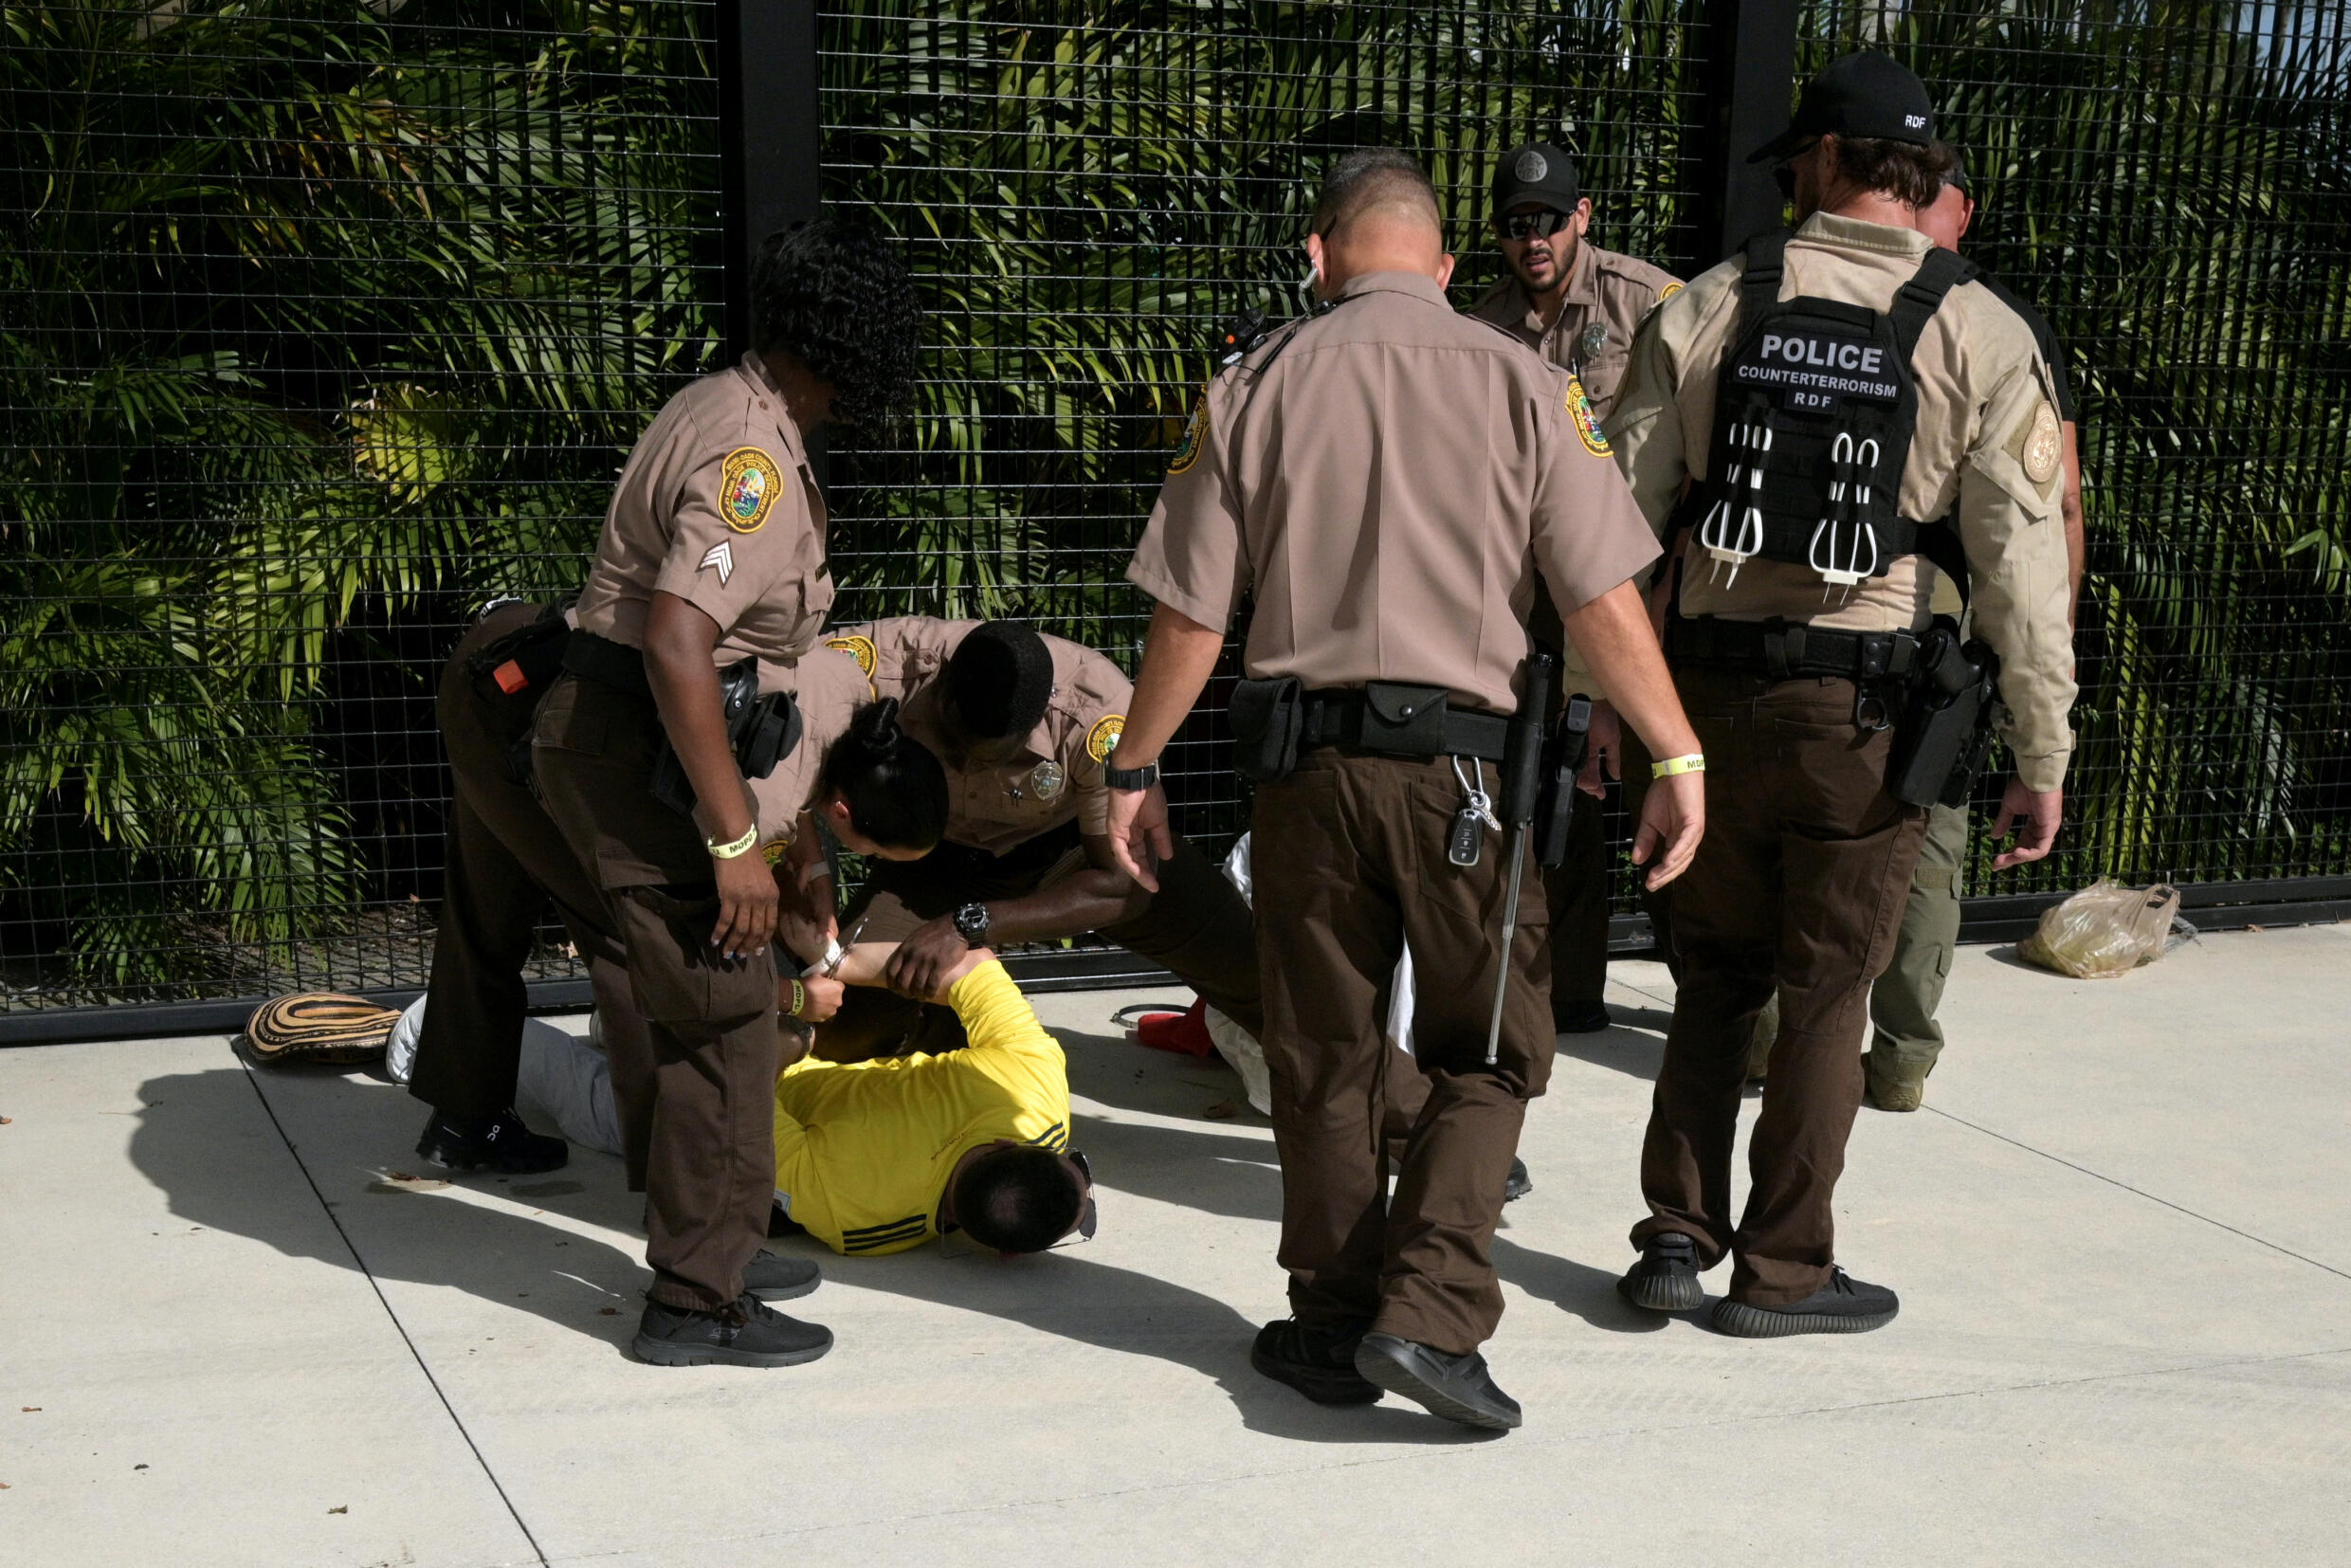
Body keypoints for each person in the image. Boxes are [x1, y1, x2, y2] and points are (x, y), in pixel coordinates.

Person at [1104, 148, 1706, 1431]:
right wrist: (1676, 752)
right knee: (1488, 1046)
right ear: (1441, 264)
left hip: (1304, 777)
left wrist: (1134, 763)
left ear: (1320, 255)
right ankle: (1429, 1318)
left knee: (1324, 1056)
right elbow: (1600, 599)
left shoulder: (1251, 386)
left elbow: (1189, 615)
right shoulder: (1528, 385)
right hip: (1463, 781)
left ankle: (1329, 1322)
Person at [1606, 53, 2076, 1337]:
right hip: (1864, 723)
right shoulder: (1981, 329)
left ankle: (1671, 1237)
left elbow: (1612, 536)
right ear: (1921, 176)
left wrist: (1617, 709)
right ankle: (1784, 1270)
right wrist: (2043, 746)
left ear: (1824, 161)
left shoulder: (1705, 306)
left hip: (1698, 707)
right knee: (1827, 995)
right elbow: (2025, 570)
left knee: (1711, 976)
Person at [530, 216, 937, 1370]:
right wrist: (733, 838)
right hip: (637, 752)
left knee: (726, 1006)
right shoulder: (749, 455)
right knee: (718, 1012)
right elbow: (673, 640)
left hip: (639, 745)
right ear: (851, 337)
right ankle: (695, 1301)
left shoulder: (729, 404)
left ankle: (720, 1246)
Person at [1864, 144, 2087, 1113]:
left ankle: (1882, 1048)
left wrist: (2038, 637)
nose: (1923, 219)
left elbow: (2061, 507)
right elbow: (2050, 511)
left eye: (1936, 203)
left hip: (1917, 620)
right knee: (1919, 838)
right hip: (1928, 614)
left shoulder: (1786, 292)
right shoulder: (1994, 329)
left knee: (1921, 834)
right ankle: (1892, 1053)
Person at [807, 616, 1262, 1062]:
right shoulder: (887, 664)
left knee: (1252, 971)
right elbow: (779, 699)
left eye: (989, 758)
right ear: (940, 688)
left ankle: (1307, 1081)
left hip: (1064, 853)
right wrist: (812, 870)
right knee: (838, 1023)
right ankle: (952, 1047)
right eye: (951, 745)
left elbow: (1123, 888)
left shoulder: (1097, 716)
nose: (964, 769)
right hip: (929, 861)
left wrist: (969, 926)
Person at [1467, 143, 1686, 1033]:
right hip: (1543, 598)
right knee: (1560, 790)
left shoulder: (1653, 303)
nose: (1536, 239)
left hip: (1646, 588)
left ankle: (1705, 993)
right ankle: (1575, 993)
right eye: (1517, 226)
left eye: (1551, 220)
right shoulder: (1480, 325)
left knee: (1664, 779)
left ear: (1582, 216)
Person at [773, 941, 1095, 1257]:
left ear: (1006, 1144)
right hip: (799, 1053)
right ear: (1003, 1252)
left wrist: (828, 964)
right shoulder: (849, 1217)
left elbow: (739, 1101)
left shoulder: (1035, 1098)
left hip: (778, 1058)